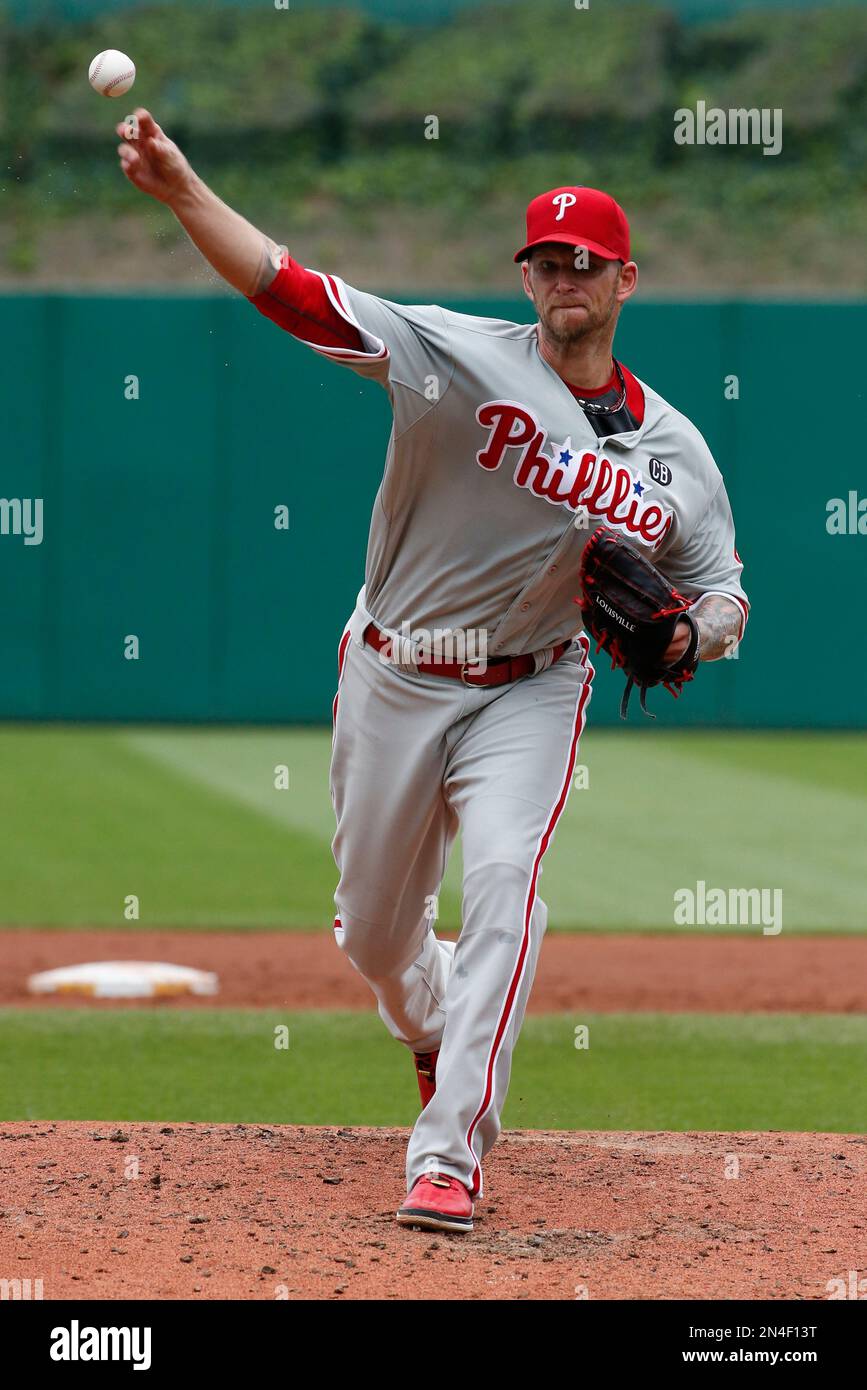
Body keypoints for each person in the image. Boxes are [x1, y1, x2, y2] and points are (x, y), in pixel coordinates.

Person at [118, 112, 748, 1234]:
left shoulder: (677, 452)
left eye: (582, 263)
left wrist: (693, 636)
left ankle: (448, 1153)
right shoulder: (455, 356)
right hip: (397, 672)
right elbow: (290, 288)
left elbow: (723, 587)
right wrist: (183, 191)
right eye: (544, 261)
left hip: (534, 683)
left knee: (507, 882)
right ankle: (430, 1020)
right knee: (371, 934)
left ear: (624, 280)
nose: (560, 276)